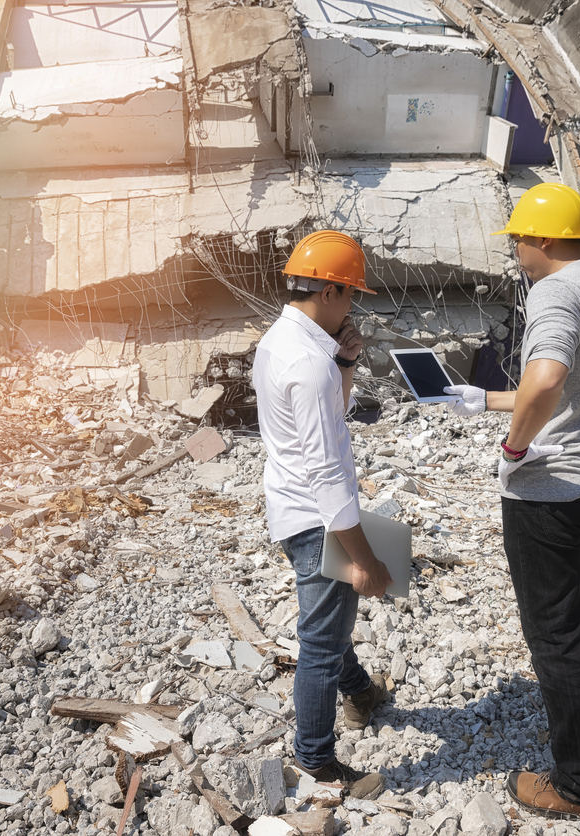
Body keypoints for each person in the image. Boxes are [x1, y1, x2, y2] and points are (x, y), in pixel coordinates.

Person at [445, 183, 580, 823]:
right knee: (574, 615)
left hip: (550, 489)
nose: (518, 253)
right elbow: (569, 385)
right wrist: (489, 398)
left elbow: (549, 378)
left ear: (546, 239)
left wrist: (516, 445)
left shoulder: (554, 291)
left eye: (521, 241)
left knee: (552, 635)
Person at [252, 230, 393, 800]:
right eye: (351, 294)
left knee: (327, 616)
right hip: (317, 517)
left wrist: (347, 364)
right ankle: (317, 760)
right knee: (319, 638)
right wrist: (364, 558)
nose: (353, 306)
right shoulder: (308, 362)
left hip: (289, 506)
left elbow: (323, 417)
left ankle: (361, 691)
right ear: (332, 291)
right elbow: (329, 471)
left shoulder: (280, 342)